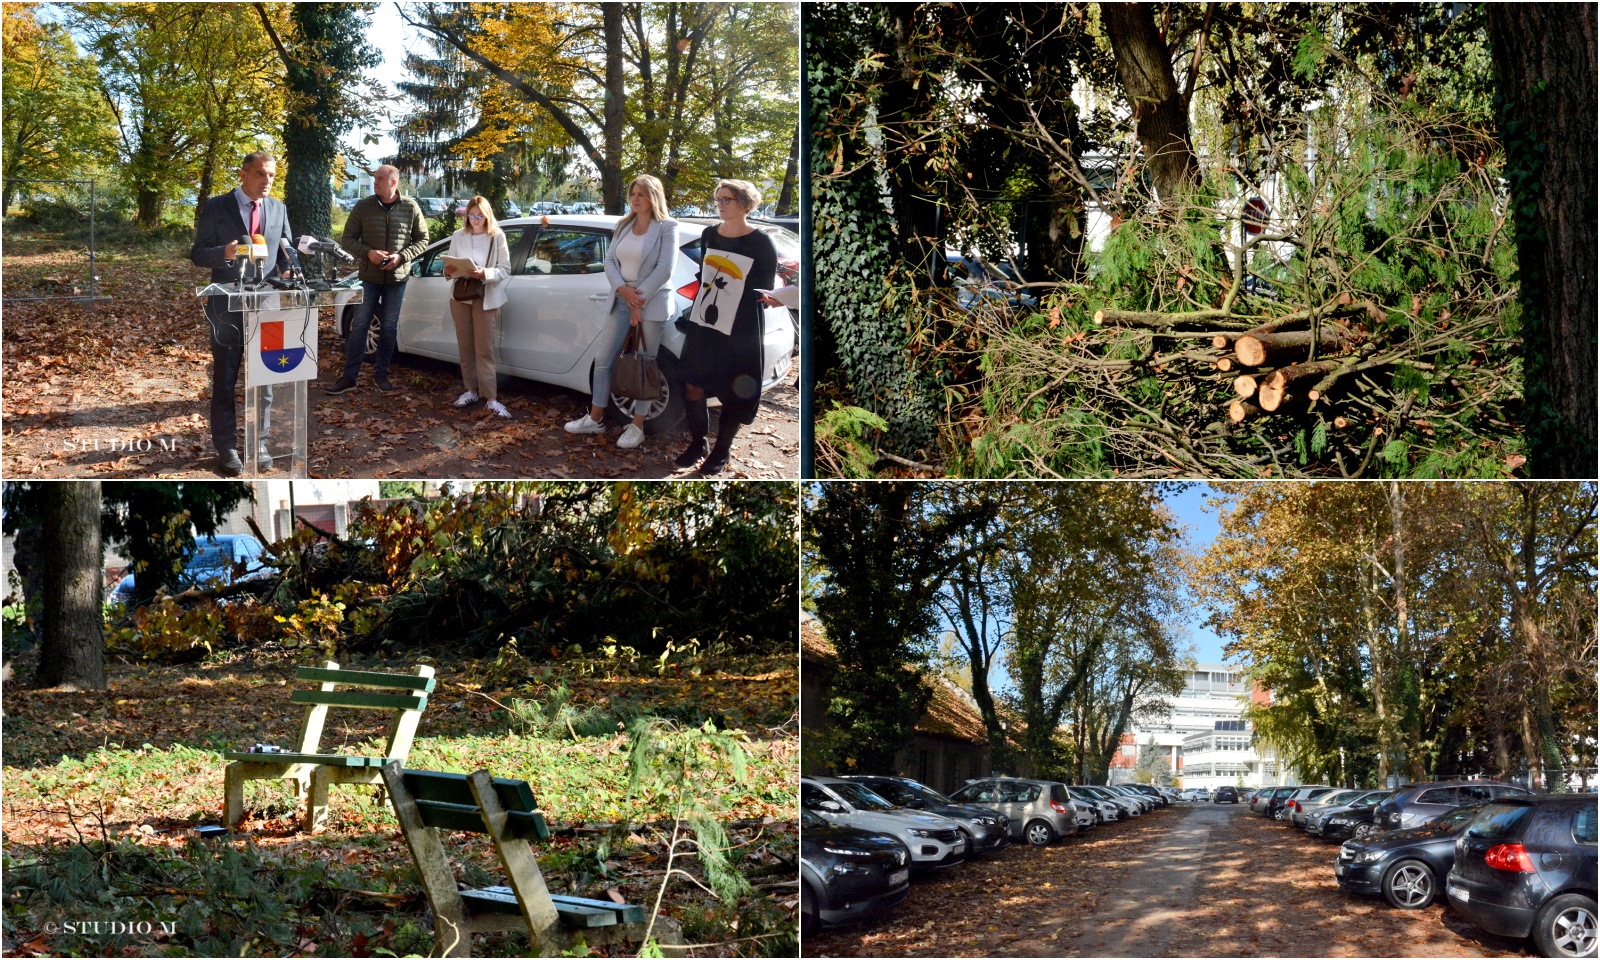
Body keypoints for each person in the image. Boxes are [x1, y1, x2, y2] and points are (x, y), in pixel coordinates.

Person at [189, 151, 294, 476]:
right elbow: (197, 254)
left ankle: (259, 443)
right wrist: (225, 253)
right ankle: (227, 448)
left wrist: (290, 270)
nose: (267, 181)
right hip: (227, 306)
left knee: (267, 379)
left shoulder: (278, 208)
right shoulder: (217, 206)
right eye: (261, 174)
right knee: (225, 378)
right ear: (243, 174)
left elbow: (286, 249)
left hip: (268, 305)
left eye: (272, 176)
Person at [674, 179, 779, 474]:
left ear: (745, 204)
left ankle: (721, 451)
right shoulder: (709, 235)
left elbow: (765, 289)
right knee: (692, 382)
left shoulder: (760, 242)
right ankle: (698, 443)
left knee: (734, 391)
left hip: (740, 328)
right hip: (705, 321)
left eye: (727, 200)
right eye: (718, 199)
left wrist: (774, 300)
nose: (720, 204)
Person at [565, 174, 677, 449]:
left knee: (644, 363)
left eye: (642, 194)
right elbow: (609, 261)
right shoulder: (624, 224)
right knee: (603, 360)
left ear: (654, 197)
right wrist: (622, 290)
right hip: (621, 298)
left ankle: (637, 425)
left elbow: (665, 269)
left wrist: (637, 300)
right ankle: (595, 419)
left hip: (651, 300)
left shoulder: (667, 227)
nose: (636, 199)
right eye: (633, 194)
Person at [325, 165, 429, 395]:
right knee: (360, 325)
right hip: (369, 278)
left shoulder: (410, 207)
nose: (375, 182)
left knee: (389, 327)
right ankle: (349, 377)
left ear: (394, 183)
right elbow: (348, 238)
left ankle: (381, 374)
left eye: (381, 179)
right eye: (375, 178)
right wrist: (368, 253)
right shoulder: (364, 206)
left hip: (397, 279)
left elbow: (423, 240)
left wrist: (401, 256)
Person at [443, 195, 513, 418]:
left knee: (484, 349)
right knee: (465, 347)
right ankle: (471, 390)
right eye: (471, 215)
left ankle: (491, 398)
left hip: (485, 294)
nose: (475, 219)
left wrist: (485, 273)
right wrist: (447, 271)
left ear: (486, 215)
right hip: (461, 294)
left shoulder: (497, 236)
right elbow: (450, 264)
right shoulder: (458, 236)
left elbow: (505, 268)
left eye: (479, 215)